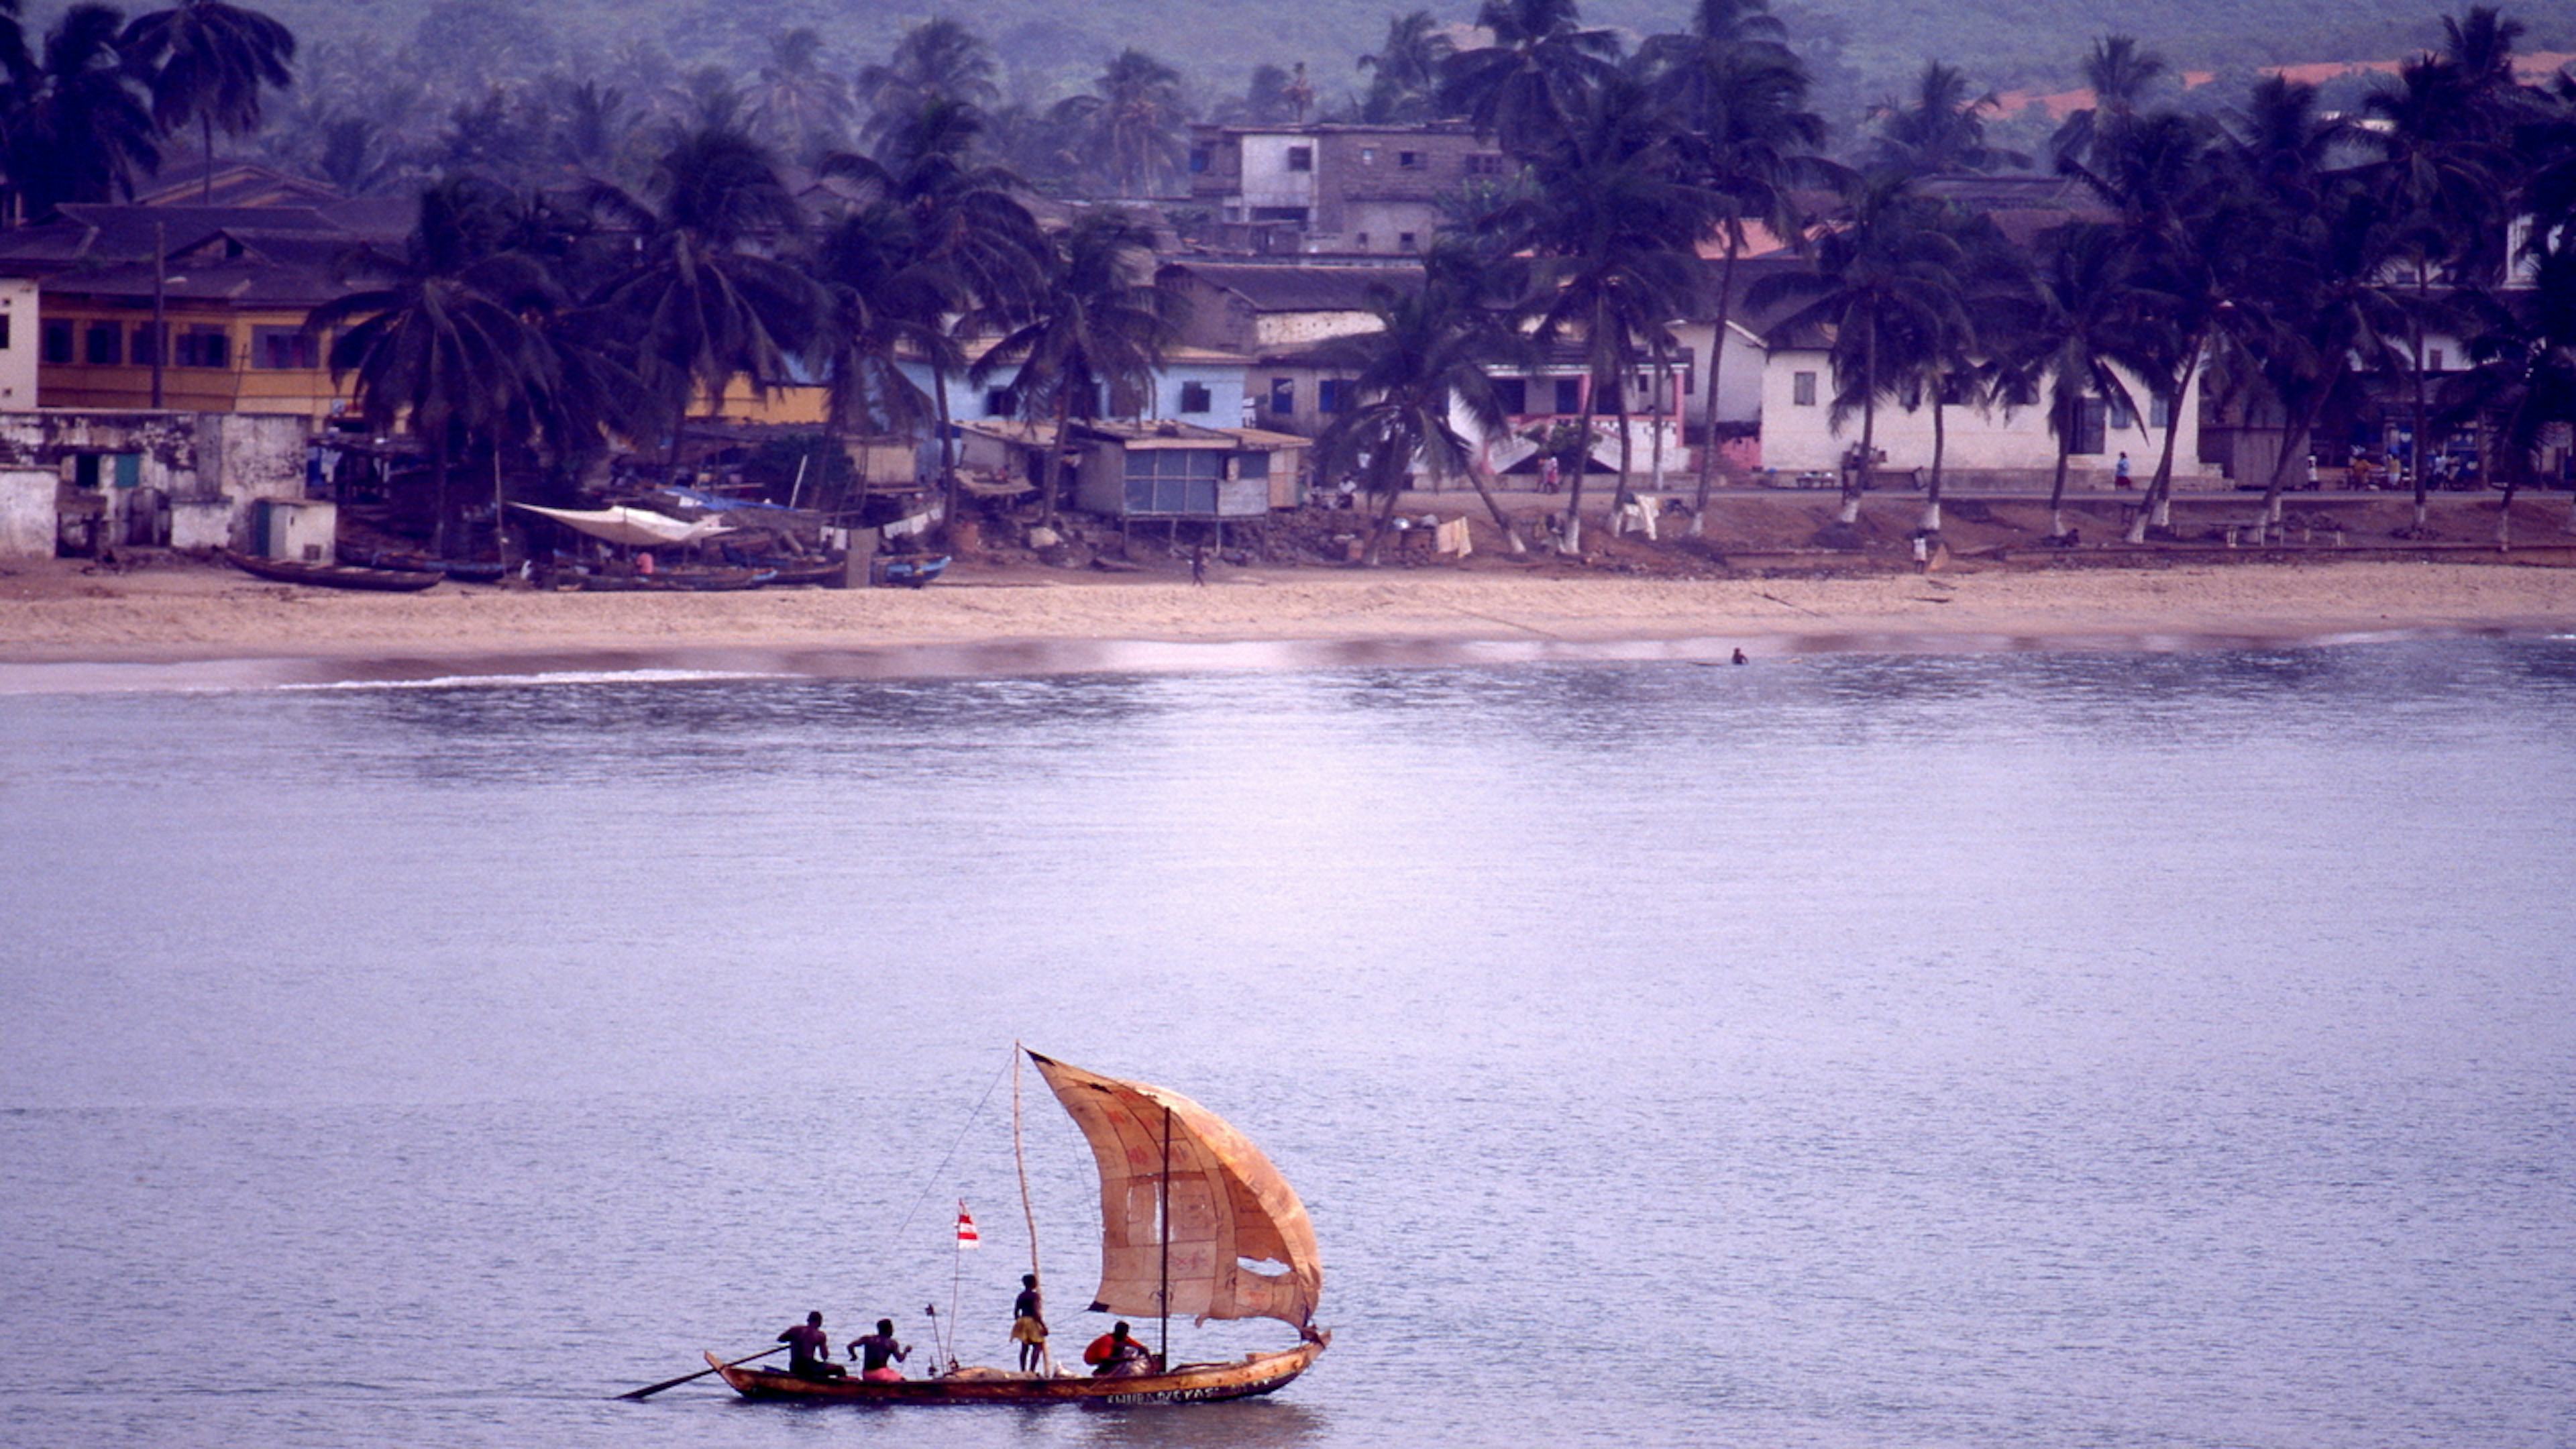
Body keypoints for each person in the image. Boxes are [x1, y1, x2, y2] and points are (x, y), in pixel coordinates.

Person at [779, 1311, 842, 1379]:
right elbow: (825, 1357)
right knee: (840, 1369)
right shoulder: (820, 1335)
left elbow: (780, 1339)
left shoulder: (795, 1330)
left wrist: (794, 1339)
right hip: (809, 1367)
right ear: (820, 1323)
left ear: (808, 1320)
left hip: (794, 1366)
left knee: (820, 1371)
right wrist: (822, 1343)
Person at [1083, 1321, 1154, 1377]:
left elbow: (1142, 1348)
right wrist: (1124, 1359)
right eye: (1121, 1333)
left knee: (1131, 1350)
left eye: (1125, 1333)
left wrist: (1152, 1363)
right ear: (1116, 1331)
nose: (1123, 1335)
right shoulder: (1108, 1340)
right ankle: (1102, 1372)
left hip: (1106, 1357)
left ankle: (1116, 1372)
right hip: (1092, 1359)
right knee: (1120, 1347)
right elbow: (1104, 1359)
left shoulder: (1125, 1338)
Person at [849, 1318, 910, 1383]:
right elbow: (900, 1359)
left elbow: (850, 1346)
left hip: (866, 1374)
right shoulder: (892, 1343)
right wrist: (906, 1351)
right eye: (892, 1329)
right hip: (881, 1375)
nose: (893, 1331)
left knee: (889, 1372)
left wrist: (854, 1356)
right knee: (903, 1381)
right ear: (889, 1330)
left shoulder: (867, 1339)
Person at [1010, 1274, 1049, 1373]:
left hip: (1022, 1320)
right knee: (1038, 1345)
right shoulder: (1035, 1296)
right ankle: (1032, 1370)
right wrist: (1043, 1326)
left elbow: (1016, 1312)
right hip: (1032, 1321)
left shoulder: (1021, 1296)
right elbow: (1036, 1312)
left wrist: (1019, 1322)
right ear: (1034, 1284)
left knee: (1025, 1346)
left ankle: (1023, 1370)